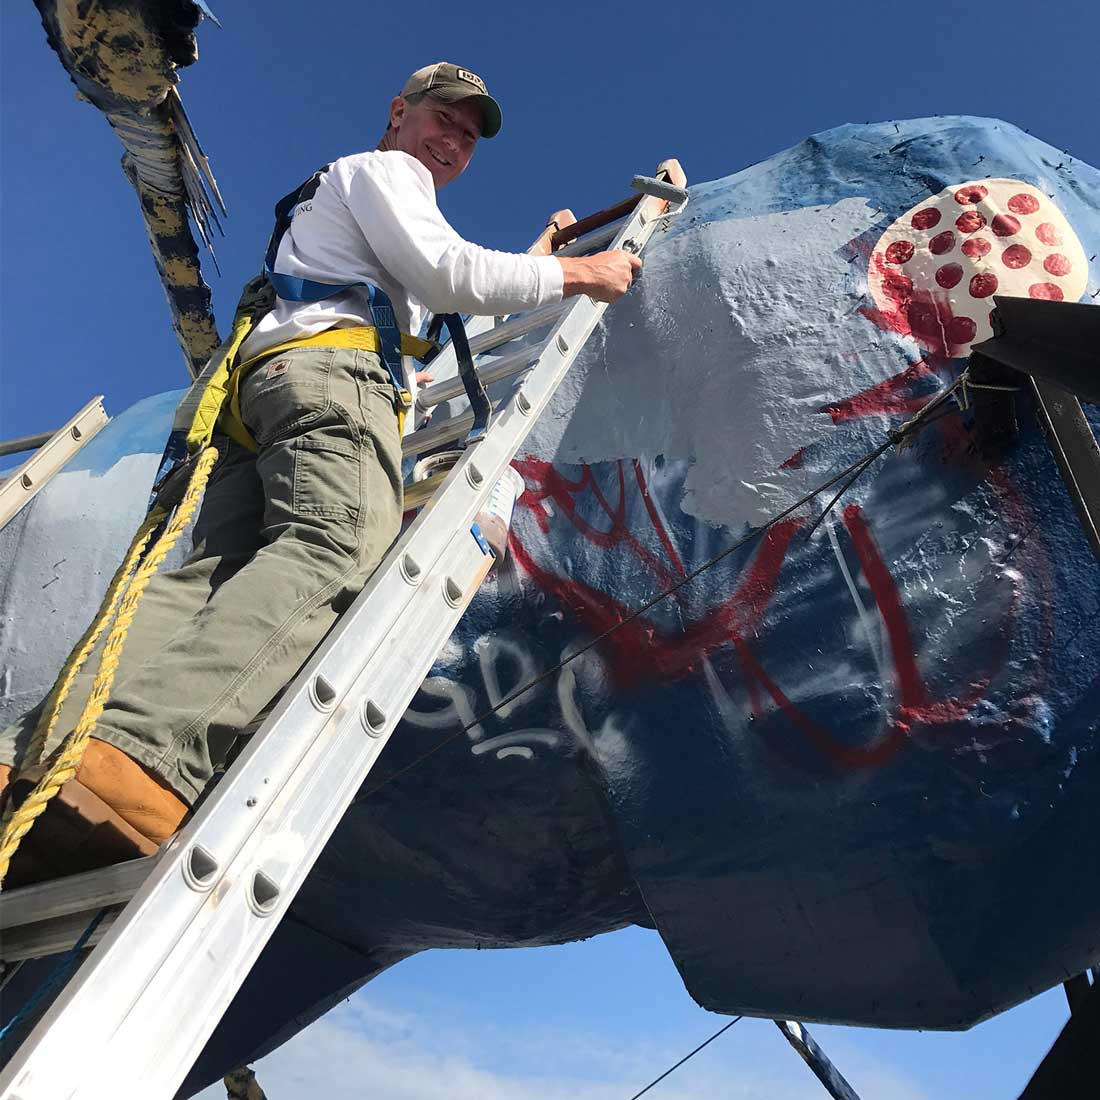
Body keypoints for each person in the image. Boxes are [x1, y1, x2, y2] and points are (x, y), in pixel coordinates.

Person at [0, 62, 641, 883]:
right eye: (442, 118)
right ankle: (146, 752)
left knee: (206, 577)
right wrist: (583, 273)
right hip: (331, 376)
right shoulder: (389, 173)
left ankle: (51, 755)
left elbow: (453, 303)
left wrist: (538, 256)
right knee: (338, 545)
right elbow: (451, 273)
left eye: (469, 135)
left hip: (268, 388)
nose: (453, 141)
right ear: (400, 111)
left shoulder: (355, 205)